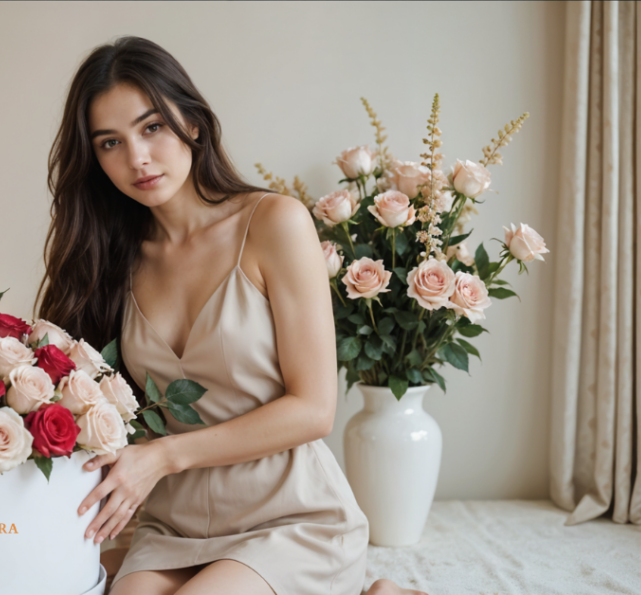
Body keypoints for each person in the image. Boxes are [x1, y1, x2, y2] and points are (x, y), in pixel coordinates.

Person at [35, 36, 427, 595]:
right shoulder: (108, 261)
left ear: (192, 123)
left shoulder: (274, 223)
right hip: (174, 525)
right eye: (109, 143)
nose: (137, 158)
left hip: (291, 516)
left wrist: (163, 457)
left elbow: (314, 410)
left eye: (153, 128)